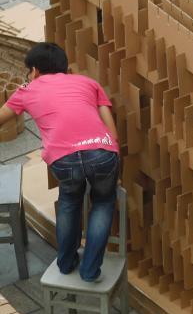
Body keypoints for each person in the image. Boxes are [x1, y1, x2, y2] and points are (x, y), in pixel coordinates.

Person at [0, 43, 120, 283]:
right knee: (103, 203)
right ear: (65, 68)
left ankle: (65, 263)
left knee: (69, 203)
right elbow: (112, 133)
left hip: (64, 159)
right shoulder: (87, 82)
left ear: (33, 70)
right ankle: (90, 270)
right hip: (102, 151)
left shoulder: (27, 88)